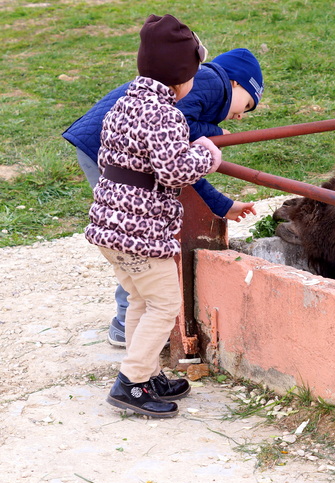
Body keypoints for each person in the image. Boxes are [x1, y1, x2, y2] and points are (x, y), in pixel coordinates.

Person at [63, 47, 264, 348]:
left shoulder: (203, 88)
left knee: (130, 238)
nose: (240, 115)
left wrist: (222, 204)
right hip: (103, 150)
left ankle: (131, 323)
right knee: (132, 238)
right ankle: (126, 322)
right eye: (246, 104)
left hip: (105, 147)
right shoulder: (210, 81)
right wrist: (214, 133)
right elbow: (178, 126)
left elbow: (183, 169)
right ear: (234, 83)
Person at [85, 14, 223, 418]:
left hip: (111, 229)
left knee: (142, 302)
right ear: (181, 77)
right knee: (163, 305)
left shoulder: (125, 103)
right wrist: (207, 154)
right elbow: (175, 170)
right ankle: (130, 384)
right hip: (140, 232)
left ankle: (147, 374)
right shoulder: (164, 115)